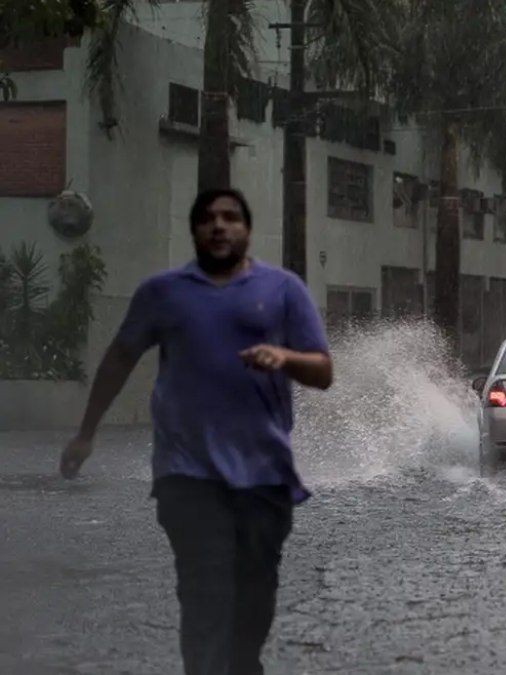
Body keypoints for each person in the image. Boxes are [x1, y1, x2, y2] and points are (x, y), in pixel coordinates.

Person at [59, 189, 333, 675]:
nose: (219, 225)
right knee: (205, 594)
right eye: (207, 218)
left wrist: (284, 357)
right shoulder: (162, 293)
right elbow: (120, 358)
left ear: (247, 229)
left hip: (264, 476)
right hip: (186, 474)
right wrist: (86, 433)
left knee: (254, 600)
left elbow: (323, 372)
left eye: (230, 217)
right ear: (195, 231)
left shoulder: (283, 289)